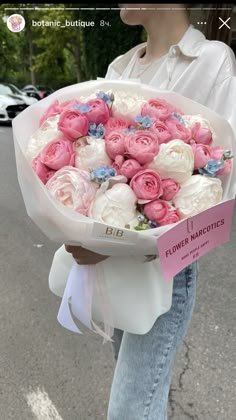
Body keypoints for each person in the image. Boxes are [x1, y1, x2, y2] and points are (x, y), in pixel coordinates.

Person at [65, 4, 236, 419]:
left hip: (165, 269)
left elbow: (221, 186)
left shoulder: (212, 60)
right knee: (140, 403)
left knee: (130, 409)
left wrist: (118, 245)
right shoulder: (119, 67)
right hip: (112, 269)